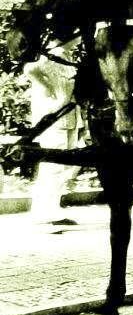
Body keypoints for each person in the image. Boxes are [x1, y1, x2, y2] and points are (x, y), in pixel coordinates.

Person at [24, 43, 81, 225]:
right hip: (52, 119)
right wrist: (46, 86)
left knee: (63, 166)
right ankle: (45, 213)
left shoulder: (67, 55)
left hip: (68, 117)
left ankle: (51, 209)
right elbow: (29, 69)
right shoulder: (52, 54)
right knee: (52, 166)